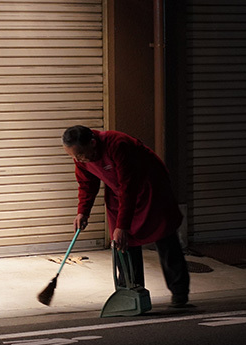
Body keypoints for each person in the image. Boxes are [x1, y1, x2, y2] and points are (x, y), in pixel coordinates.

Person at [62, 125, 191, 307]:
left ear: (92, 143)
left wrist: (121, 226)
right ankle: (131, 293)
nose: (79, 159)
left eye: (81, 154)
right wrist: (83, 211)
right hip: (118, 194)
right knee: (123, 245)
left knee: (164, 238)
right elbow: (86, 184)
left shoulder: (117, 144)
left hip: (150, 189)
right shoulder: (81, 157)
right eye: (74, 156)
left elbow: (129, 186)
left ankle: (180, 294)